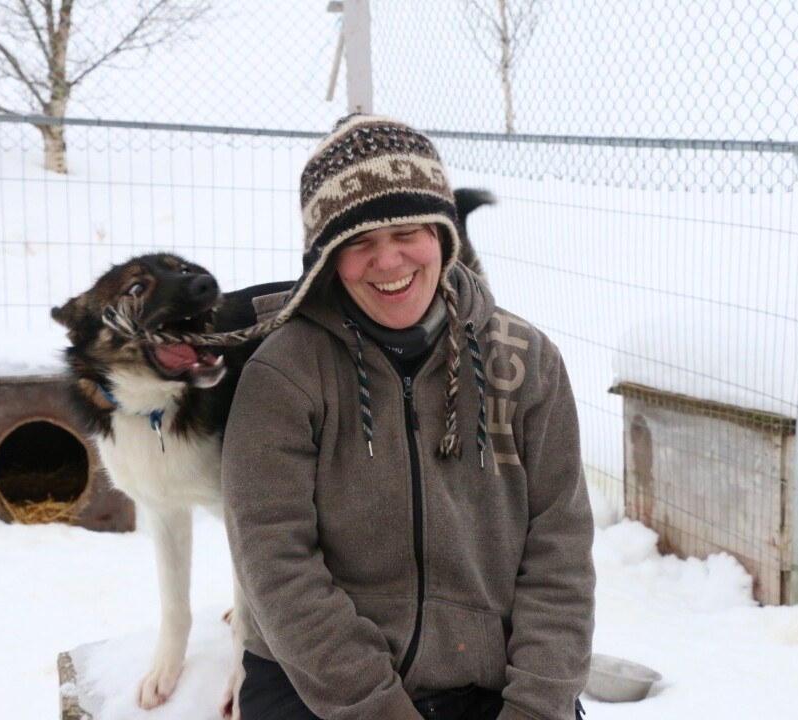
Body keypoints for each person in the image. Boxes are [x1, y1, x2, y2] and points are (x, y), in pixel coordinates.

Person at [219, 115, 595, 720]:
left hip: (493, 679)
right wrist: (378, 708)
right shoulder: (284, 374)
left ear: (442, 235)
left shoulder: (526, 361)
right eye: (358, 242)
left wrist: (537, 704)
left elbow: (561, 553)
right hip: (319, 682)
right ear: (326, 259)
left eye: (407, 232)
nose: (387, 260)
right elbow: (275, 565)